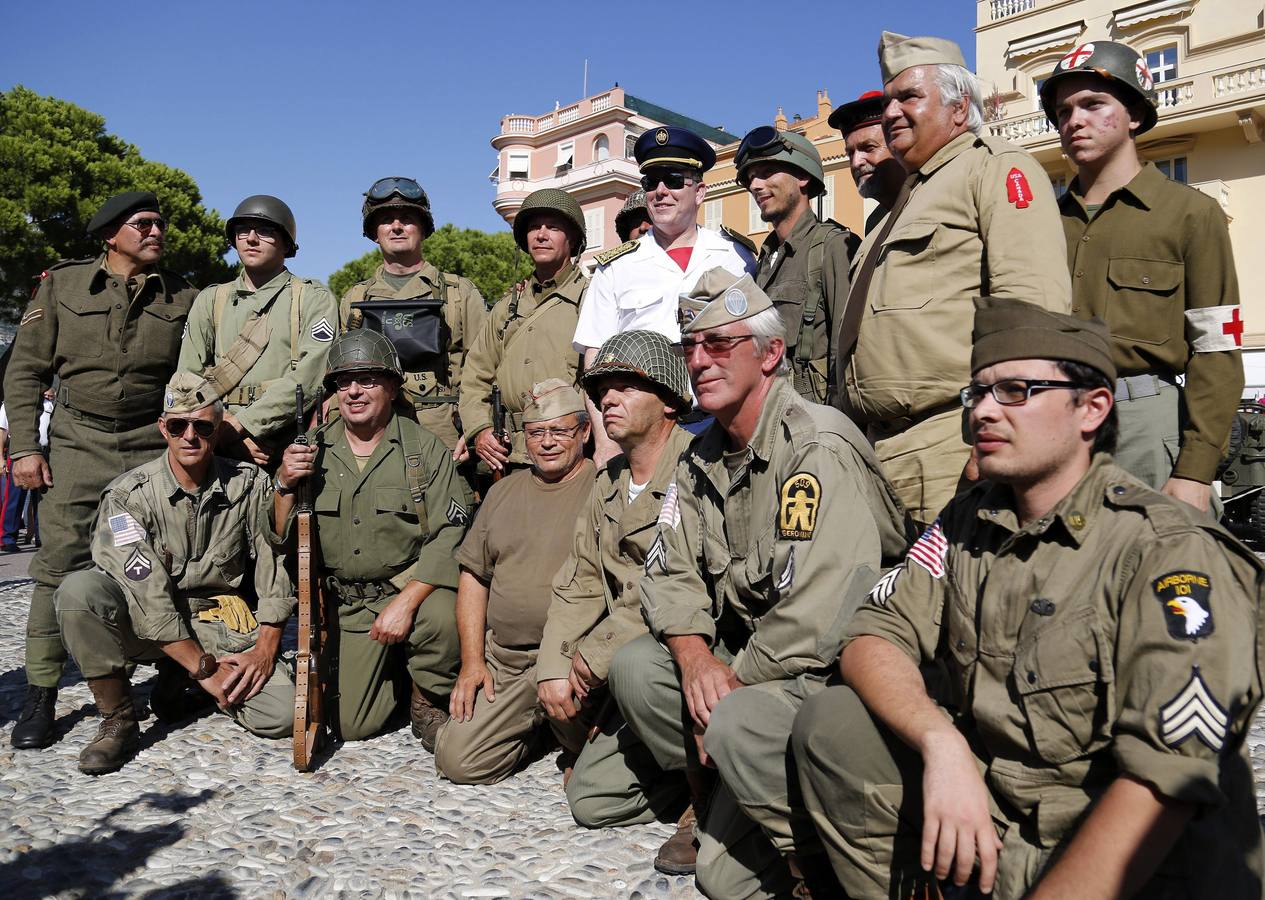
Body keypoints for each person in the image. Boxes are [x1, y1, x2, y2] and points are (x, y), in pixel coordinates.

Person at [794, 297, 1265, 898]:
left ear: (1091, 409)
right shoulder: (971, 521)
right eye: (978, 393)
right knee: (834, 723)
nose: (984, 412)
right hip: (1002, 831)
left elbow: (1164, 783)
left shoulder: (1170, 552)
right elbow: (872, 634)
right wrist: (939, 743)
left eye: (1016, 390)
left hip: (1131, 866)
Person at [593, 269, 910, 893]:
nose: (700, 360)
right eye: (690, 347)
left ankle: (823, 848)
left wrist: (730, 687)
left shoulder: (814, 446)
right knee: (638, 666)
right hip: (753, 659)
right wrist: (694, 663)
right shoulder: (698, 453)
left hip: (828, 671)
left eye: (720, 344)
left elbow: (822, 611)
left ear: (770, 354)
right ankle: (715, 795)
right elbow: (670, 571)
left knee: (723, 883)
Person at [835, 32, 1072, 527]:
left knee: (960, 600)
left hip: (951, 445)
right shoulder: (896, 206)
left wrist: (1005, 436)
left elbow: (1032, 313)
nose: (892, 112)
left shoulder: (997, 168)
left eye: (910, 97)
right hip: (877, 450)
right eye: (889, 100)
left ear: (960, 107)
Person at [5, 191, 197, 751]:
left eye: (161, 223)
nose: (157, 231)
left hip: (148, 444)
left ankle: (172, 675)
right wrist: (25, 449)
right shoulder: (62, 287)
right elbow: (23, 372)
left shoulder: (182, 295)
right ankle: (41, 694)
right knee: (57, 564)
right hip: (75, 442)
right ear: (111, 235)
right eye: (144, 223)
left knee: (158, 560)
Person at [53, 373, 296, 774]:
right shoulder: (129, 496)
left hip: (216, 621)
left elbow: (275, 560)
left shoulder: (247, 483)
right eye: (178, 425)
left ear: (217, 430)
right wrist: (205, 669)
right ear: (162, 427)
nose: (190, 437)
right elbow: (146, 592)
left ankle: (177, 687)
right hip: (148, 626)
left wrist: (267, 647)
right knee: (79, 592)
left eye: (202, 426)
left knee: (281, 714)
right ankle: (119, 719)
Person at [1042, 40, 1243, 513]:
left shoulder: (1190, 214)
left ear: (1134, 114)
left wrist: (1195, 470)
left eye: (1093, 104)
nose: (1074, 121)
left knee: (1160, 578)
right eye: (1063, 111)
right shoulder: (1043, 223)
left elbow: (1216, 348)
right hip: (1052, 424)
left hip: (1146, 428)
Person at [537, 330, 695, 863]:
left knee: (629, 664)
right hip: (627, 658)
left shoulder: (697, 470)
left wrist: (594, 654)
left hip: (682, 654)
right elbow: (579, 577)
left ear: (670, 401)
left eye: (626, 386)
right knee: (591, 799)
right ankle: (683, 773)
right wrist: (555, 664)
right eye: (602, 389)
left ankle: (716, 790)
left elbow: (669, 579)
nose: (608, 399)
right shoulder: (609, 479)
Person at [274, 329, 470, 748]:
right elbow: (277, 536)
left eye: (368, 380)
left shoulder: (424, 449)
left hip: (407, 589)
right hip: (348, 602)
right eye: (344, 383)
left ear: (393, 387)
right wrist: (284, 484)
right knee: (354, 726)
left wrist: (406, 602)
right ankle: (397, 673)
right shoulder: (311, 450)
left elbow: (452, 533)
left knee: (441, 614)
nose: (354, 392)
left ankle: (426, 699)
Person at [434, 379, 595, 784]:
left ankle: (573, 733)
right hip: (506, 660)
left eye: (560, 431)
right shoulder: (502, 492)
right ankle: (536, 727)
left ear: (585, 432)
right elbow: (474, 576)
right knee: (456, 761)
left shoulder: (604, 488)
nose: (547, 442)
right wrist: (472, 663)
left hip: (570, 662)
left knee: (596, 773)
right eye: (537, 432)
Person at [573, 126, 756, 464]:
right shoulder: (615, 268)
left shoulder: (737, 258)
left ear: (700, 192)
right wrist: (607, 444)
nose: (660, 191)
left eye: (673, 180)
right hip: (643, 432)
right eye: (650, 182)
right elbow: (594, 360)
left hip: (722, 424)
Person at [178, 195, 338, 465]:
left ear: (286, 242)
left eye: (265, 231)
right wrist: (220, 436)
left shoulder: (312, 298)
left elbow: (310, 377)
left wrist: (242, 425)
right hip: (216, 445)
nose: (251, 238)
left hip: (288, 445)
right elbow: (186, 381)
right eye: (243, 231)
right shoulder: (211, 300)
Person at [339, 177, 487, 452]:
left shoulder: (459, 292)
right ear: (374, 232)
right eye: (386, 220)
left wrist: (475, 427)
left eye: (407, 218)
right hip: (372, 436)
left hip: (446, 437)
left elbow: (484, 369)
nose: (396, 226)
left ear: (423, 228)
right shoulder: (355, 299)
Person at [457, 189, 589, 473]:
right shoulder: (505, 309)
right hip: (509, 456)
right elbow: (474, 377)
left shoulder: (592, 300)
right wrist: (480, 429)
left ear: (574, 239)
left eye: (553, 227)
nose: (541, 235)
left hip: (572, 453)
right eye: (533, 227)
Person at [736, 125, 857, 403]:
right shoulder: (763, 260)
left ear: (802, 177)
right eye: (752, 178)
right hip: (768, 415)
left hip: (815, 420)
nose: (755, 185)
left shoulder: (833, 246)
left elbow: (848, 349)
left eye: (767, 173)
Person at [828, 90, 907, 233]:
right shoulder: (874, 222)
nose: (856, 162)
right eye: (850, 153)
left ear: (900, 147)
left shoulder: (933, 202)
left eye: (869, 148)